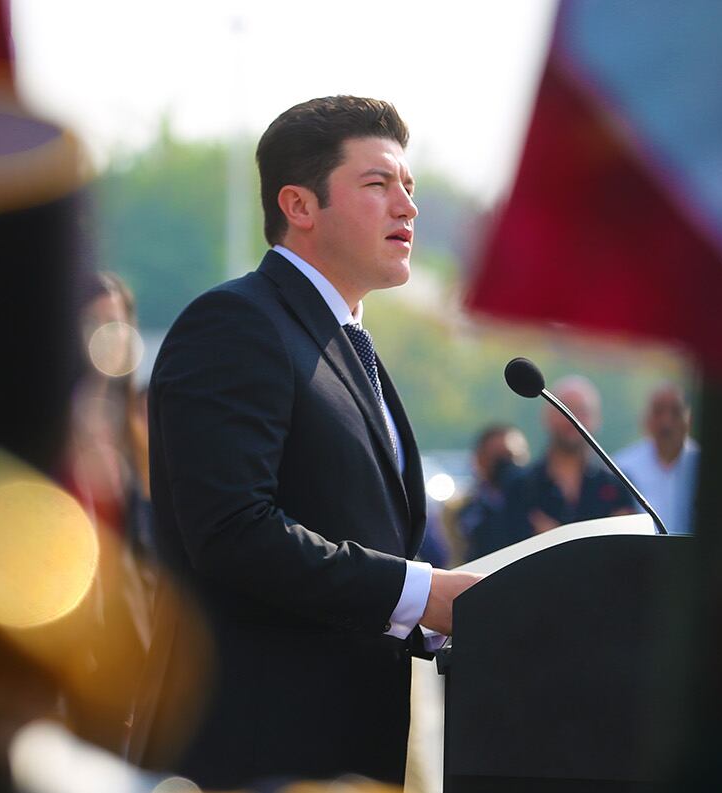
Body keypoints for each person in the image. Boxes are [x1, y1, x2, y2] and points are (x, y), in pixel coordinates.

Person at [139, 95, 481, 788]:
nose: (408, 208)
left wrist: (443, 612)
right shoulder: (236, 325)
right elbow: (234, 531)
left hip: (348, 754)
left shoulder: (348, 344)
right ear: (299, 205)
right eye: (379, 184)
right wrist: (422, 592)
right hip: (259, 757)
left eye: (409, 188)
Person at [504, 376, 635, 540]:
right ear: (546, 418)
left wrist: (556, 538)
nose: (572, 419)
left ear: (597, 420)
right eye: (564, 409)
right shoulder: (520, 486)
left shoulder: (618, 485)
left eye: (582, 411)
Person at [613, 384, 701, 535]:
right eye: (659, 412)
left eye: (676, 412)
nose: (666, 422)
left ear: (690, 418)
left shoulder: (702, 464)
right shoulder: (622, 467)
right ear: (645, 419)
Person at [445, 423, 530, 562]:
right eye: (497, 457)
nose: (505, 465)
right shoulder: (459, 510)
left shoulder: (536, 502)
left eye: (511, 456)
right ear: (479, 459)